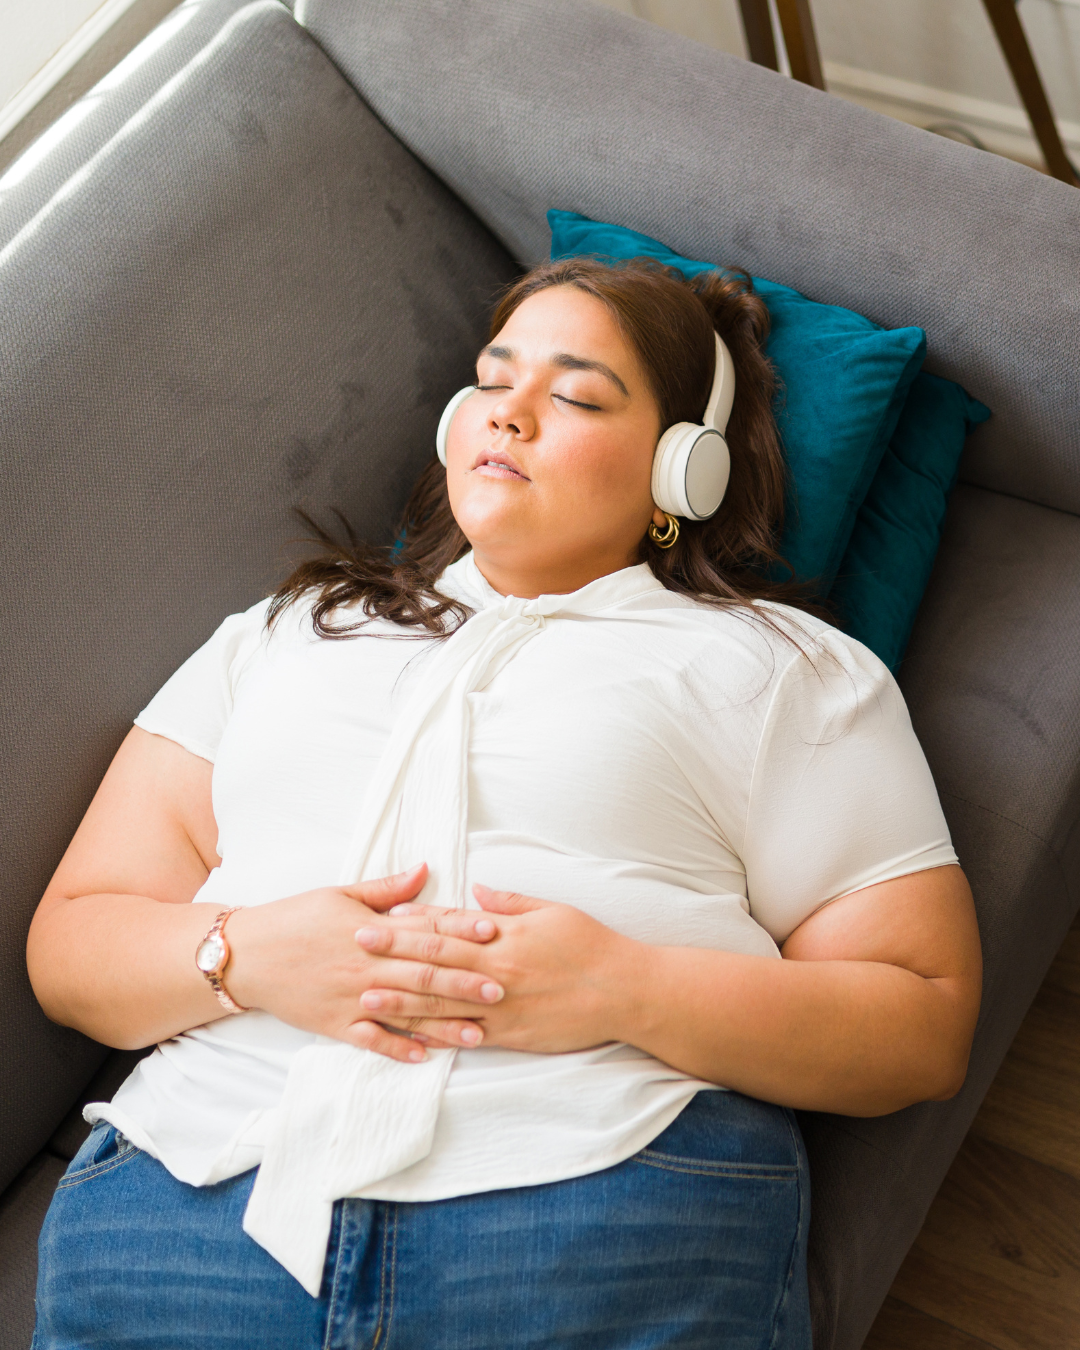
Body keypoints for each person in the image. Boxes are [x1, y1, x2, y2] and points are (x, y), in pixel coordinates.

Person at [27, 257, 981, 1350]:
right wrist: (245, 955)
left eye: (576, 396)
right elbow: (73, 942)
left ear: (685, 471)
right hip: (192, 1205)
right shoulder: (287, 632)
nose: (511, 415)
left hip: (598, 1198)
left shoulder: (783, 668)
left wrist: (628, 987)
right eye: (492, 380)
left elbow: (921, 1017)